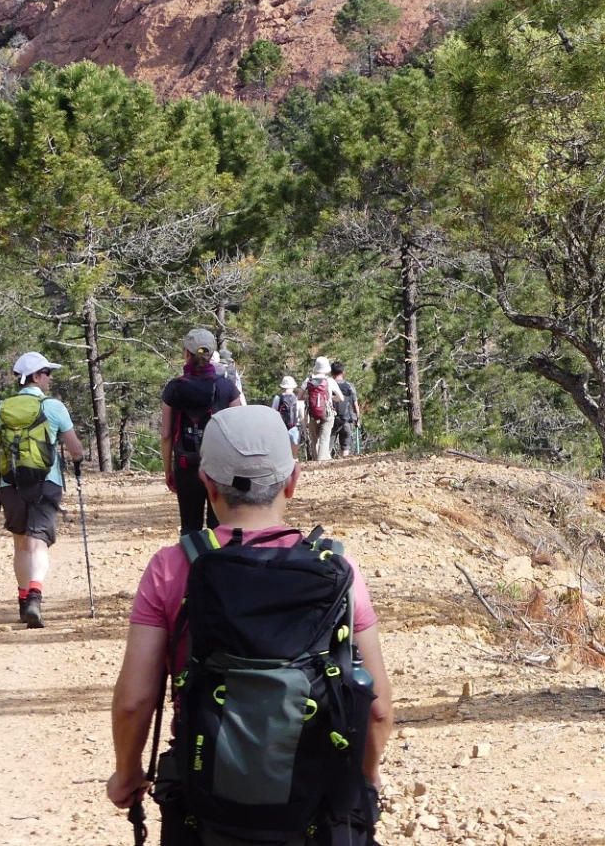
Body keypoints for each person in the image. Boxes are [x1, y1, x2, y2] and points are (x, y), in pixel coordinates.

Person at [105, 406, 392, 844]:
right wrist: (365, 781)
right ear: (293, 480)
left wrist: (128, 773)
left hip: (205, 808)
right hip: (315, 810)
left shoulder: (172, 567)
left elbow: (134, 700)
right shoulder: (339, 569)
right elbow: (376, 708)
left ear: (207, 484)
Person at [0, 350, 84, 629]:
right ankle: (36, 596)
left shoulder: (0, 408)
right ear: (35, 377)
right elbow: (75, 448)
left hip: (9, 484)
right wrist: (77, 461)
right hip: (45, 482)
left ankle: (23, 599)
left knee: (20, 542)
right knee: (37, 541)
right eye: (47, 373)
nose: (50, 378)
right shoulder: (54, 407)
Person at [160, 329, 244, 532]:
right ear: (211, 353)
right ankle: (217, 563)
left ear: (186, 353)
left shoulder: (173, 388)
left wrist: (168, 471)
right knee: (219, 528)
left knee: (190, 527)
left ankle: (192, 563)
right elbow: (239, 430)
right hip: (219, 467)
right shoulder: (226, 387)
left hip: (186, 465)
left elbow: (166, 435)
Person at [302, 357, 338, 461]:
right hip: (327, 413)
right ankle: (321, 462)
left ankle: (315, 460)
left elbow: (299, 397)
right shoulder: (330, 381)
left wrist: (310, 399)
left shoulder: (308, 380)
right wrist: (331, 398)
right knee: (324, 438)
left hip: (312, 413)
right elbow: (341, 397)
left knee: (314, 439)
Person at [331, 361, 363, 458]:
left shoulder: (328, 386)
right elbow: (355, 406)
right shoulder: (350, 386)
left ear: (331, 373)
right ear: (343, 372)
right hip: (346, 420)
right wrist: (357, 419)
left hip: (332, 420)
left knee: (327, 448)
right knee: (345, 449)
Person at [272, 376, 305, 457]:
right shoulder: (298, 400)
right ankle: (296, 469)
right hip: (294, 429)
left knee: (282, 455)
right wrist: (304, 431)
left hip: (281, 429)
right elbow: (302, 417)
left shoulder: (277, 398)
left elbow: (273, 413)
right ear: (293, 387)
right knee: (294, 455)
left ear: (282, 387)